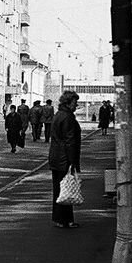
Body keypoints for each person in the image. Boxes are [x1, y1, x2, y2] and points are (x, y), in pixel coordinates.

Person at [48, 90, 82, 228]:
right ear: (68, 103)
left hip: (56, 157)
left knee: (59, 189)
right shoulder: (68, 117)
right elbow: (70, 141)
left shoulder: (58, 115)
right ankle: (65, 220)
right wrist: (73, 162)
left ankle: (60, 219)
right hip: (64, 158)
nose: (76, 105)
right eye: (75, 102)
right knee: (66, 189)